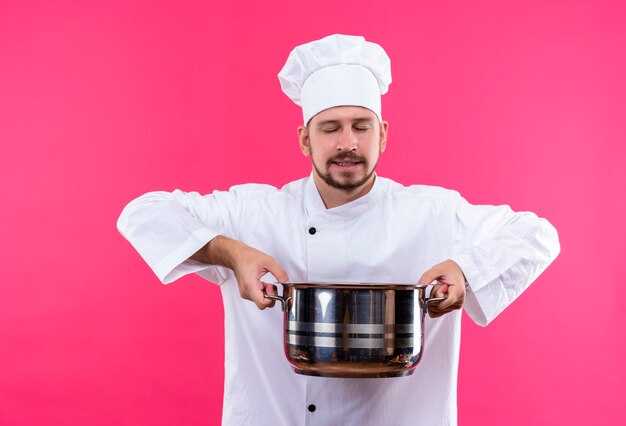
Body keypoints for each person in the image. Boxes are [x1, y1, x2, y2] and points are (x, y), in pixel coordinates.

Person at [117, 34, 560, 425]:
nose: (347, 142)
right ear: (305, 139)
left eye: (360, 127)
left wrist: (466, 269)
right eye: (330, 128)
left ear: (383, 135)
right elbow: (142, 212)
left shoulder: (434, 213)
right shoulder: (253, 212)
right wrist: (230, 253)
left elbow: (538, 234)